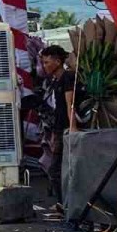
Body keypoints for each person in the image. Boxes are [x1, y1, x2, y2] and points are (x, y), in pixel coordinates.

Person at [38, 45, 78, 198]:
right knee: (57, 169)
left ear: (58, 61)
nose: (44, 66)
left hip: (67, 129)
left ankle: (64, 204)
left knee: (56, 170)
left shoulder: (67, 78)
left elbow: (70, 103)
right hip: (59, 129)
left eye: (47, 62)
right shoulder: (54, 81)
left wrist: (73, 127)